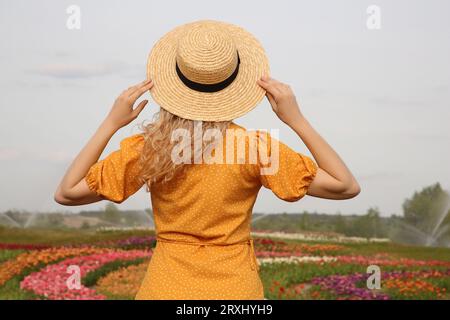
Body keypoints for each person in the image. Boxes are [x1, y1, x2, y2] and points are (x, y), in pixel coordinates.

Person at [54, 20, 360, 300]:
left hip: (164, 289)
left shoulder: (150, 149)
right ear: (235, 82)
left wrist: (110, 123)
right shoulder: (254, 148)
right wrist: (297, 120)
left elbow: (66, 193)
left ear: (174, 80)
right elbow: (345, 186)